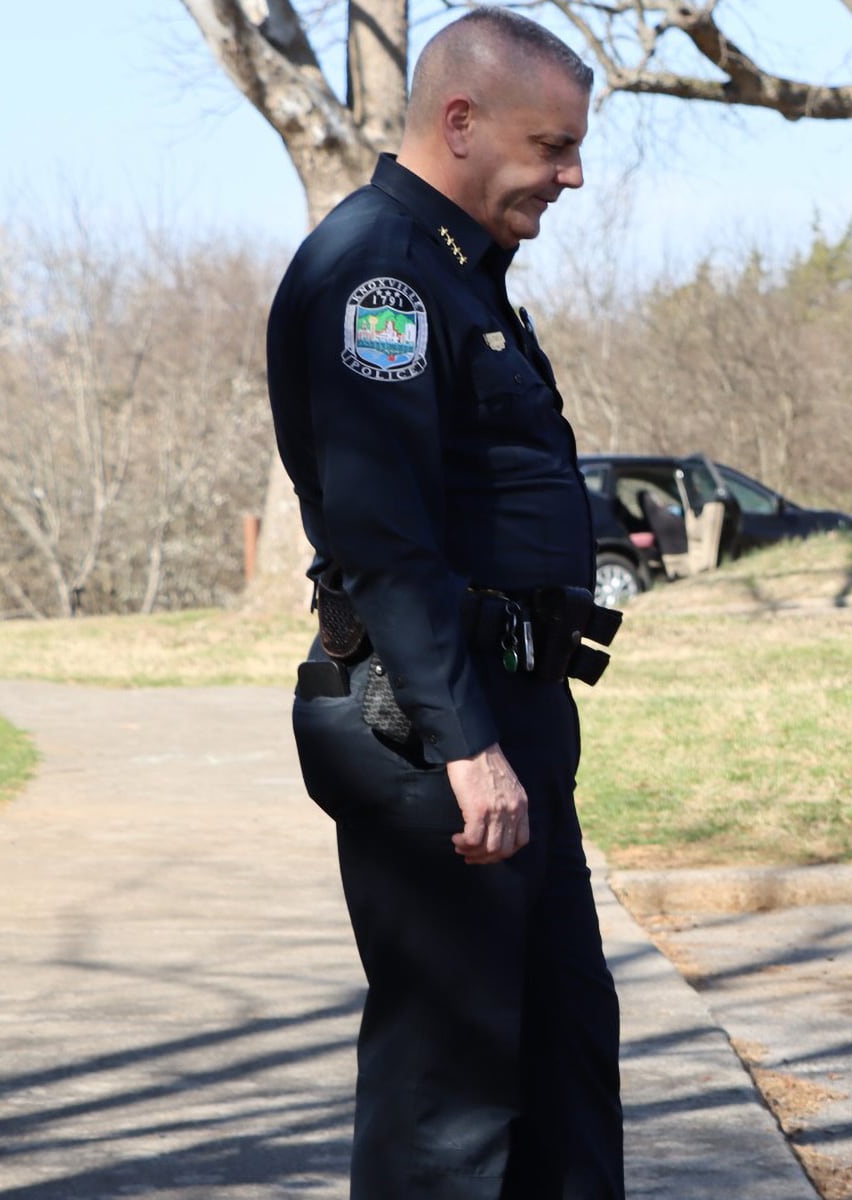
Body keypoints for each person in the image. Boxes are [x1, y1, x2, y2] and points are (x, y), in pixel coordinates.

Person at [268, 10, 624, 1196]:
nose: (571, 176)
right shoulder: (380, 275)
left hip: (501, 712)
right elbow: (384, 535)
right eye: (552, 147)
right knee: (453, 1107)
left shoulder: (455, 273)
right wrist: (466, 744)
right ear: (460, 121)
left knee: (562, 1064)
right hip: (433, 727)